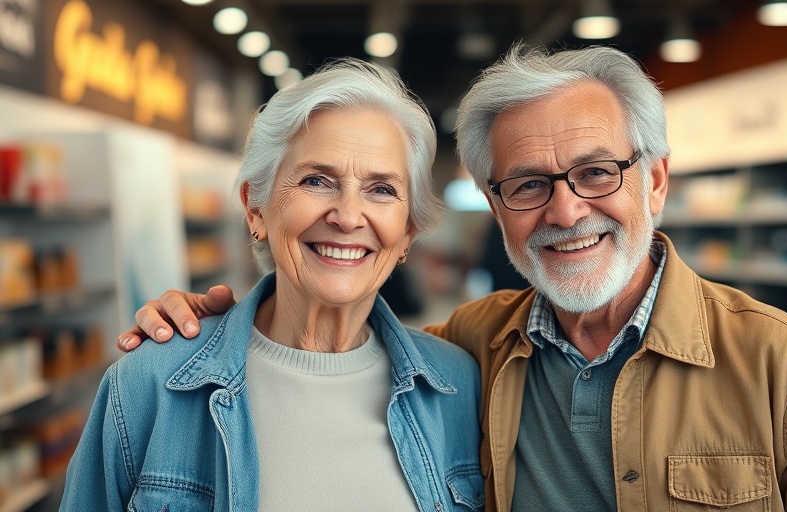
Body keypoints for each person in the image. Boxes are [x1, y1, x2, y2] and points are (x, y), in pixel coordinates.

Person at [117, 44, 787, 511]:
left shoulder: (785, 369)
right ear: (496, 206)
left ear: (655, 182)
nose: (565, 211)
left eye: (596, 172)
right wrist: (197, 323)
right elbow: (324, 347)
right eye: (527, 184)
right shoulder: (467, 355)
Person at [61, 58, 485, 511]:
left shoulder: (460, 385)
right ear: (256, 208)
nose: (347, 216)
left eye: (381, 189)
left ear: (407, 233)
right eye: (317, 181)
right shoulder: (150, 382)